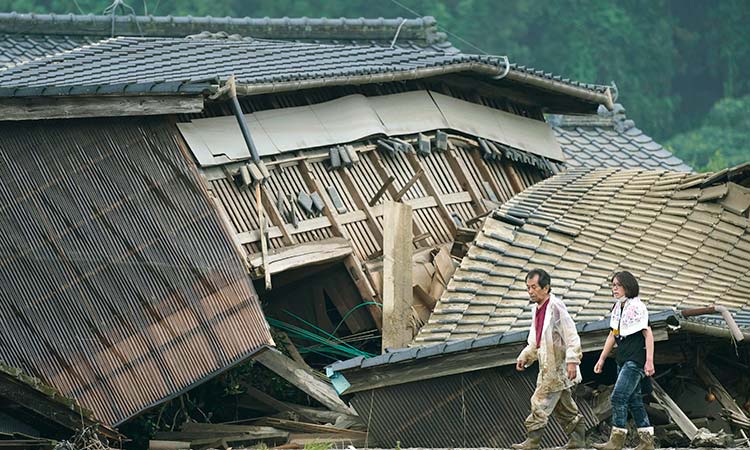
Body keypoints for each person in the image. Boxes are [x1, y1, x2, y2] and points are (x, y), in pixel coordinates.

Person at [512, 268, 586, 450]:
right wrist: (526, 356)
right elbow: (535, 340)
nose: (530, 291)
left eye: (534, 287)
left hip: (557, 367)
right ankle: (578, 441)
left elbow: (571, 335)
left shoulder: (556, 307)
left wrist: (572, 361)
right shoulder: (536, 310)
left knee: (539, 401)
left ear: (546, 288)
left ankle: (533, 442)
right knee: (565, 408)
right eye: (528, 288)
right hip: (548, 366)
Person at [593, 271, 655, 450]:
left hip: (635, 360)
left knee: (618, 397)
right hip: (622, 358)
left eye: (617, 285)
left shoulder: (637, 307)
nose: (614, 289)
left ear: (627, 287)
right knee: (634, 400)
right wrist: (602, 358)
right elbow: (613, 334)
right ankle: (647, 442)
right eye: (612, 285)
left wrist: (649, 361)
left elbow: (648, 333)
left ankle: (617, 440)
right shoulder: (618, 308)